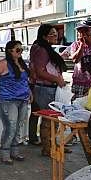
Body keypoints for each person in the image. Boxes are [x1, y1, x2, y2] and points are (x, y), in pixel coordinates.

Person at [0, 40, 31, 164]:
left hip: (22, 99)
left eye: (21, 49)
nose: (20, 52)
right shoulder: (4, 64)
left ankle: (14, 151)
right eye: (18, 50)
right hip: (7, 100)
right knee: (10, 126)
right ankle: (5, 153)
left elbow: (25, 81)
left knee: (18, 126)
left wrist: (29, 93)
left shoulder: (22, 63)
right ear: (10, 51)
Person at [29, 24, 67, 156]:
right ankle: (48, 148)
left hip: (45, 88)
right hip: (44, 88)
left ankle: (51, 145)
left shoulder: (42, 48)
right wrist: (57, 79)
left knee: (49, 119)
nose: (55, 36)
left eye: (56, 33)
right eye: (52, 34)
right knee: (48, 119)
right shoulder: (42, 50)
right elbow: (40, 71)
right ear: (44, 36)